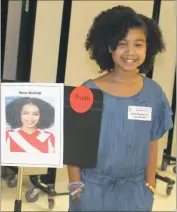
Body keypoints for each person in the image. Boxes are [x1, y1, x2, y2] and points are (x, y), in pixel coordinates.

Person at [67, 5, 173, 212]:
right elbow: (74, 145)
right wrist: (75, 187)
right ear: (108, 47)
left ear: (148, 48)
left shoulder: (153, 93)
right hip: (92, 192)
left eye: (138, 44)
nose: (130, 52)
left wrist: (149, 185)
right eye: (122, 44)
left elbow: (153, 141)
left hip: (135, 195)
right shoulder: (87, 91)